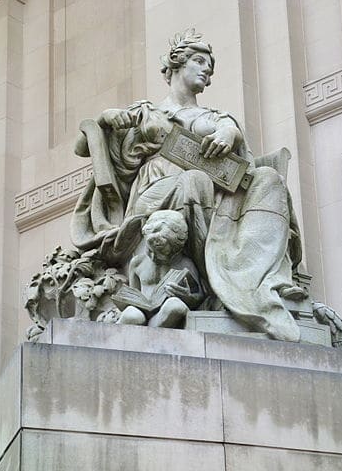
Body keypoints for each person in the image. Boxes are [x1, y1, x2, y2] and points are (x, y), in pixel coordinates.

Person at [71, 29, 301, 341]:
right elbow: (82, 147)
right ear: (177, 64)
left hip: (214, 193)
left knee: (269, 179)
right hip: (158, 191)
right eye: (199, 61)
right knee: (193, 181)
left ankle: (252, 279)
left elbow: (236, 147)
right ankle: (216, 283)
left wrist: (228, 134)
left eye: (211, 65)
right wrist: (104, 120)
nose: (207, 69)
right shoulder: (147, 111)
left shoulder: (217, 117)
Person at [115, 210, 204, 327]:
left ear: (176, 247)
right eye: (152, 250)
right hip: (142, 314)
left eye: (163, 251)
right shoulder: (137, 262)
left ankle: (152, 333)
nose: (156, 255)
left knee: (176, 306)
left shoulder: (184, 263)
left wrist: (187, 296)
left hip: (163, 315)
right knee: (131, 314)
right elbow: (134, 294)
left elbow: (199, 296)